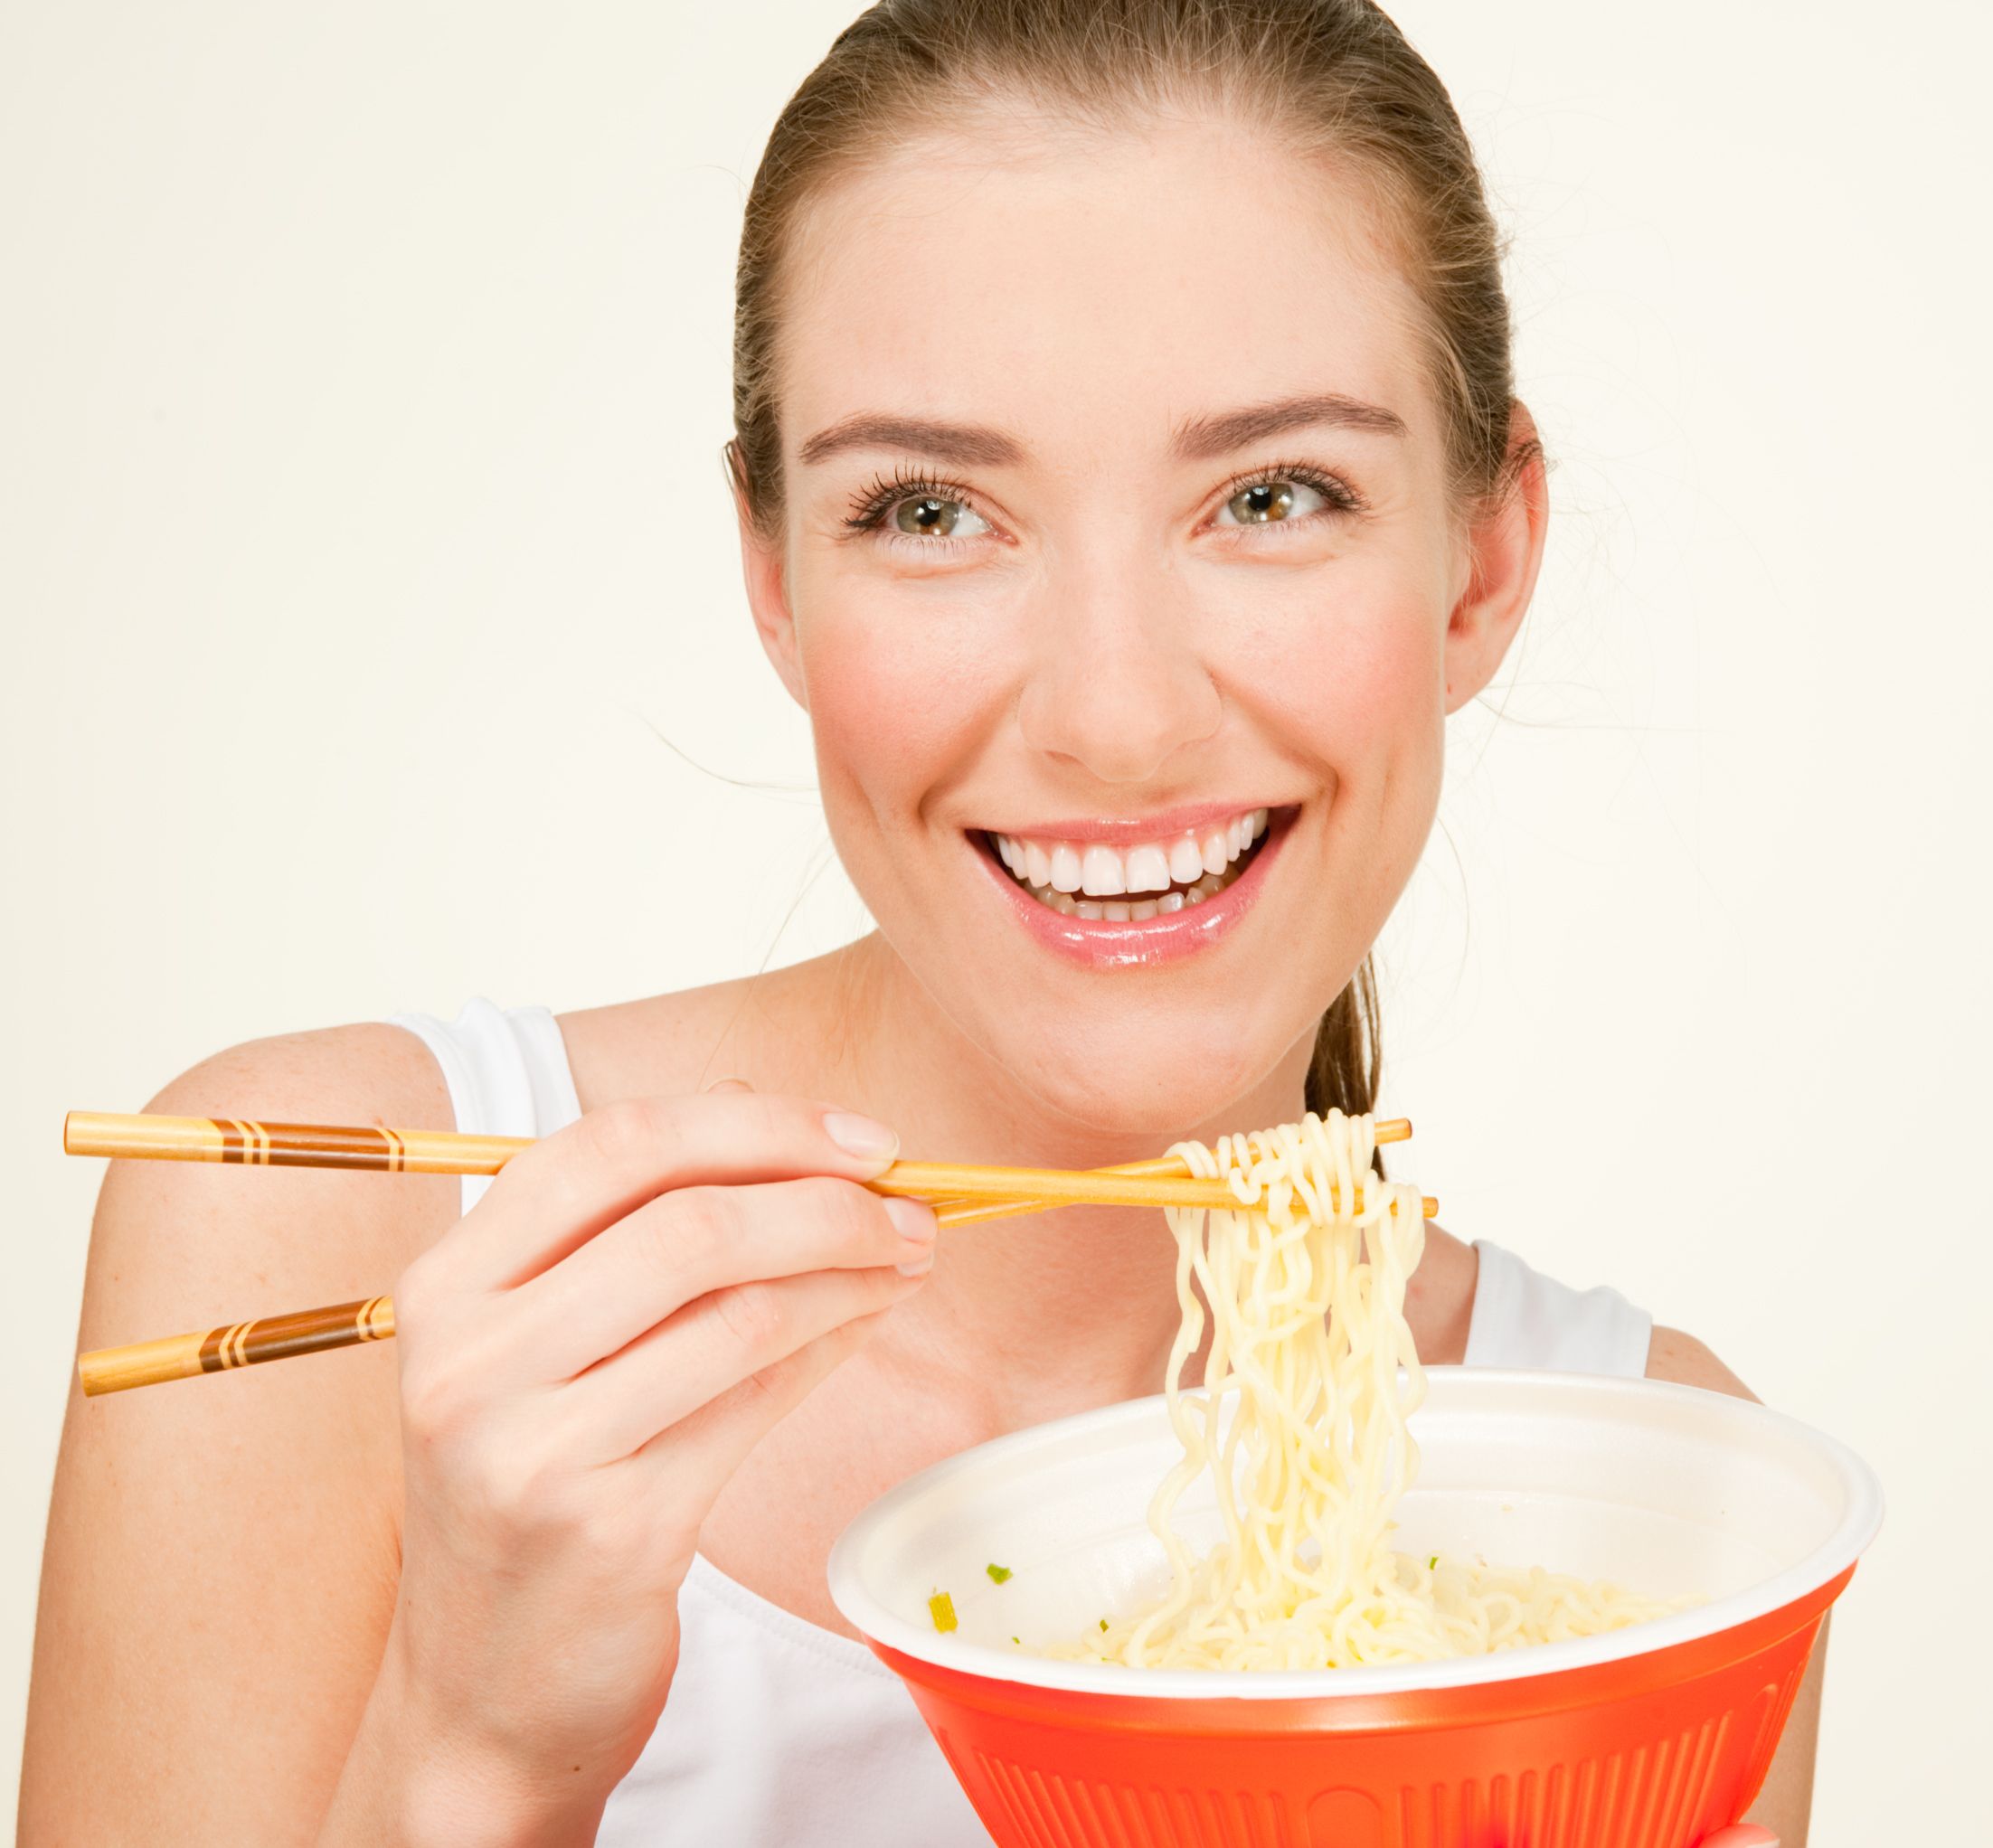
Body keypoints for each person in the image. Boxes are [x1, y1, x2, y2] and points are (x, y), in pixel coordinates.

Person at [19, 2, 1823, 1842]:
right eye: (932, 511)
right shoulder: (317, 1247)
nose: (1116, 716)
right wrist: (471, 1748)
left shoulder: (1665, 1513)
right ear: (775, 577)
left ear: (1483, 559)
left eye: (1272, 496)